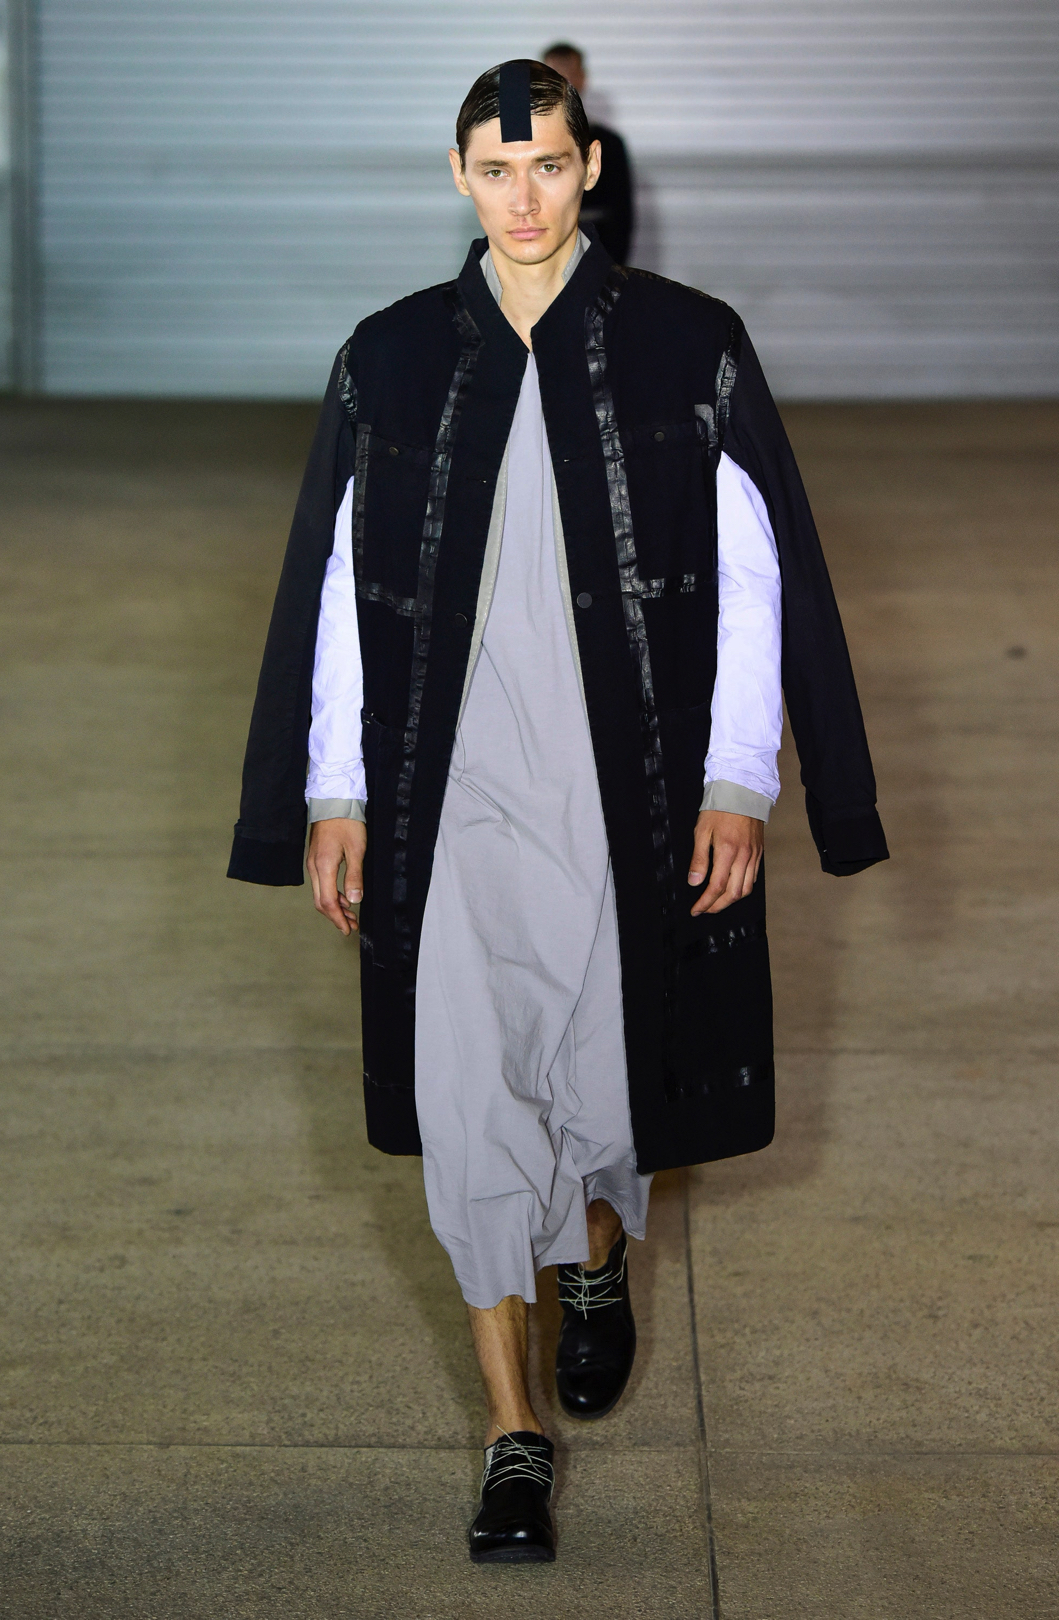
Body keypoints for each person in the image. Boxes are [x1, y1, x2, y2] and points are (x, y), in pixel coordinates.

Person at [228, 59, 887, 1564]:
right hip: (444, 800)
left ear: (589, 166)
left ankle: (596, 1256)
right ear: (459, 177)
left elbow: (756, 582)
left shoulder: (685, 343)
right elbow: (337, 593)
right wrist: (332, 792)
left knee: (599, 1081)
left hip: (619, 791)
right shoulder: (393, 357)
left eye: (547, 166)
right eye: (494, 169)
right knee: (469, 1104)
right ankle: (511, 1435)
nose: (522, 198)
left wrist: (739, 783)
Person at [543, 42, 633, 262]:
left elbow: (622, 213)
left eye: (569, 73)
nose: (563, 82)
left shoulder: (609, 144)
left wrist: (614, 269)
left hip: (596, 252)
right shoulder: (525, 142)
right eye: (554, 75)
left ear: (582, 78)